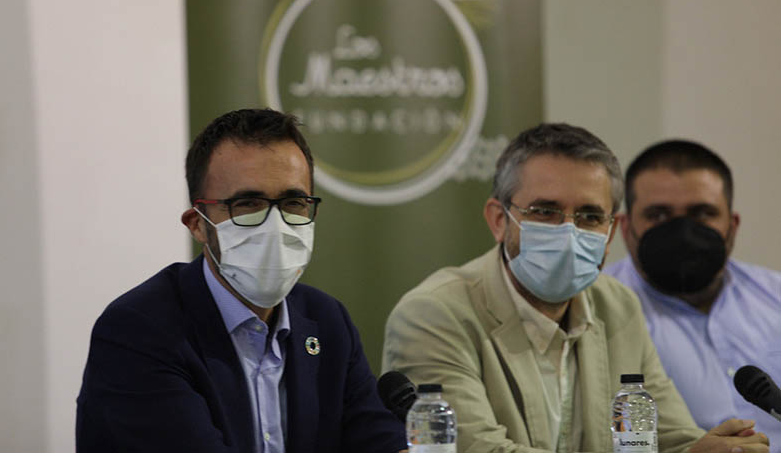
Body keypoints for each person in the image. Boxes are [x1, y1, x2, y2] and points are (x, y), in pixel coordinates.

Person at [382, 124, 770, 453]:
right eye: (545, 211)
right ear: (499, 220)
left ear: (611, 230)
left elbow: (667, 439)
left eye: (589, 216)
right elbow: (480, 450)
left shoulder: (617, 304)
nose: (568, 232)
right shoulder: (434, 314)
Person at [76, 108, 406, 452]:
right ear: (198, 223)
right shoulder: (140, 330)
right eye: (248, 204)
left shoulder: (326, 321)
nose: (275, 225)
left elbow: (377, 437)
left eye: (293, 202)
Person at [604, 139, 781, 448]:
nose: (682, 232)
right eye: (658, 215)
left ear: (732, 225)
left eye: (702, 214)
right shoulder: (597, 311)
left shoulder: (775, 296)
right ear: (625, 227)